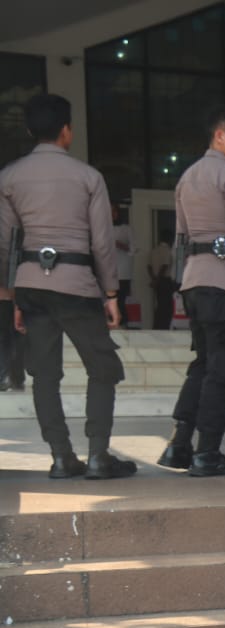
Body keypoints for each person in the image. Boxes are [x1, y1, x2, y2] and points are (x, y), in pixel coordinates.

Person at [0, 93, 134, 478]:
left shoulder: (8, 178)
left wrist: (12, 297)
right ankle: (97, 456)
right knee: (103, 368)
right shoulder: (88, 177)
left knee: (43, 374)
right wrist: (111, 294)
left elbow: (6, 245)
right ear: (66, 131)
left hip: (29, 284)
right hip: (77, 285)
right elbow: (102, 243)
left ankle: (61, 457)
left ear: (29, 130)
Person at [157, 106, 225, 476]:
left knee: (203, 364)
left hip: (194, 281)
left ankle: (178, 445)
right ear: (220, 136)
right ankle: (207, 452)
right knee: (224, 368)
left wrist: (182, 279)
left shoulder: (187, 177)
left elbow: (180, 237)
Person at [111, 202, 136, 328]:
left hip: (123, 271)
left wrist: (121, 245)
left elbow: (133, 250)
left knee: (120, 298)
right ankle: (113, 321)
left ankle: (123, 322)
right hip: (108, 270)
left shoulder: (126, 229)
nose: (112, 214)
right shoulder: (104, 228)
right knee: (110, 298)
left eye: (114, 211)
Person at [148, 231, 177, 330]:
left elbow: (149, 266)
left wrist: (154, 279)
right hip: (164, 280)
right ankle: (163, 327)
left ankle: (157, 326)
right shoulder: (167, 250)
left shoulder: (154, 250)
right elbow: (164, 266)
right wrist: (158, 279)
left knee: (160, 304)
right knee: (166, 307)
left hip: (157, 280)